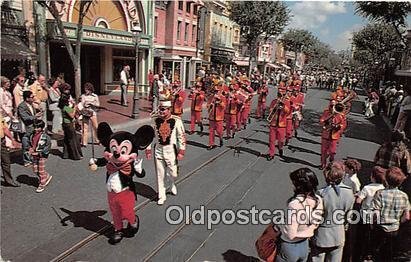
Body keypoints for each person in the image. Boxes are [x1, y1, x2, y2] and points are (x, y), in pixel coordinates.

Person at [311, 161, 355, 262]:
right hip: (338, 234)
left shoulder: (321, 193)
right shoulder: (349, 192)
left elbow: (316, 216)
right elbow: (348, 216)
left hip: (321, 235)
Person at [276, 168, 323, 262]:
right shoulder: (318, 200)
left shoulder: (294, 204)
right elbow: (316, 223)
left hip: (290, 247)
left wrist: (281, 224)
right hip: (304, 245)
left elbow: (290, 234)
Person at [146, 100, 186, 205]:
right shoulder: (155, 120)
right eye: (160, 109)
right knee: (160, 174)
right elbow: (149, 135)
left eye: (163, 109)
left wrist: (181, 150)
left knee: (173, 173)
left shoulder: (176, 120)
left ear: (169, 110)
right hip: (158, 150)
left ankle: (172, 183)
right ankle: (161, 195)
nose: (161, 111)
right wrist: (148, 149)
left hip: (171, 150)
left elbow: (181, 136)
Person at [371, 167, 410, 261]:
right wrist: (399, 222)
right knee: (390, 256)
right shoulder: (404, 196)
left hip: (380, 229)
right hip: (395, 230)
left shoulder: (380, 193)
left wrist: (372, 225)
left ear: (386, 179)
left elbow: (376, 213)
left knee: (378, 255)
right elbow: (407, 216)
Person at [355, 166, 386, 260]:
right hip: (377, 217)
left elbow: (358, 201)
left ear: (373, 177)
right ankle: (370, 255)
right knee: (373, 238)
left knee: (362, 238)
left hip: (365, 216)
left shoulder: (367, 187)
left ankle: (360, 255)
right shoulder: (384, 188)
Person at [17, 90, 43, 166]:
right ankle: (26, 161)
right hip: (25, 128)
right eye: (32, 97)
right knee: (25, 144)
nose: (33, 98)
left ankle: (32, 158)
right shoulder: (22, 106)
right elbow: (25, 117)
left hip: (32, 126)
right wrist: (35, 117)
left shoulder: (31, 105)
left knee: (32, 143)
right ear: (27, 98)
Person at [319, 101, 346, 169]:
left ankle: (331, 158)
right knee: (323, 151)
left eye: (334, 106)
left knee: (332, 151)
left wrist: (338, 126)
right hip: (326, 135)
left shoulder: (341, 115)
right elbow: (321, 121)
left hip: (334, 135)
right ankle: (323, 164)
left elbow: (344, 125)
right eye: (331, 106)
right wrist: (327, 119)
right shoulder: (326, 112)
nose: (332, 108)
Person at [59, 85, 83, 160]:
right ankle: (76, 155)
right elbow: (72, 115)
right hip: (68, 123)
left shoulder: (65, 106)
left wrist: (73, 106)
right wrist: (75, 107)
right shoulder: (65, 107)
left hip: (65, 123)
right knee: (73, 139)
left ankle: (65, 154)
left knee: (66, 139)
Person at [266, 87, 290, 161]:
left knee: (281, 140)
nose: (279, 96)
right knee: (271, 140)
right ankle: (271, 154)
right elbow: (270, 111)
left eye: (281, 95)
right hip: (273, 124)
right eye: (278, 94)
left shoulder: (286, 102)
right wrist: (276, 106)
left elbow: (287, 111)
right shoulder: (274, 101)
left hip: (281, 125)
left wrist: (283, 106)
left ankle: (280, 148)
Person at [29, 120, 52, 193]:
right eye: (35, 127)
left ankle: (42, 184)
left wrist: (40, 153)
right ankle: (46, 176)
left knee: (41, 170)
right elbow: (31, 143)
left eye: (38, 127)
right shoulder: (32, 135)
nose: (36, 129)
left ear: (41, 128)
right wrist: (30, 149)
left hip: (42, 155)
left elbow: (48, 146)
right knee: (35, 169)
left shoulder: (45, 136)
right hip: (34, 154)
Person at [1, 115, 21, 187]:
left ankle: (9, 180)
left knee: (6, 161)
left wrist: (12, 139)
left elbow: (5, 128)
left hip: (2, 141)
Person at [78, 82, 100, 147]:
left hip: (93, 112)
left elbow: (98, 105)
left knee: (95, 127)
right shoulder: (83, 96)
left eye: (87, 89)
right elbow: (81, 104)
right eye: (85, 89)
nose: (86, 91)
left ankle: (98, 140)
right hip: (86, 113)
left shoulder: (95, 96)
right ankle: (84, 142)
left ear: (90, 89)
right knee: (85, 127)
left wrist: (92, 104)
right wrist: (84, 105)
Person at [207, 85, 226, 150]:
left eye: (217, 91)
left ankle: (221, 138)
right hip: (212, 116)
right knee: (211, 131)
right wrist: (210, 105)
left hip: (219, 117)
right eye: (215, 91)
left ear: (220, 91)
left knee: (219, 131)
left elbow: (224, 107)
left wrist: (219, 101)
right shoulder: (211, 97)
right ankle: (211, 144)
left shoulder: (222, 97)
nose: (216, 92)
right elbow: (207, 105)